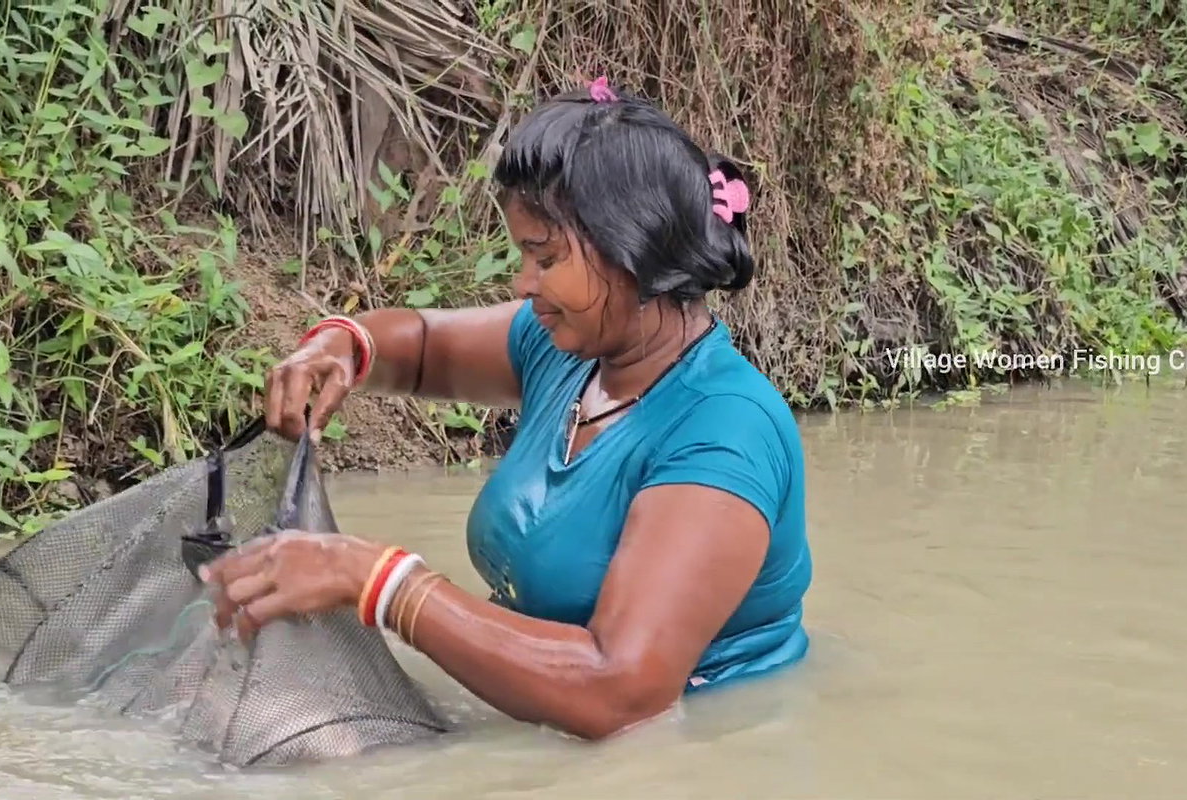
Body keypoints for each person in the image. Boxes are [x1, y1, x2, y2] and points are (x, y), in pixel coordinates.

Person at [199, 76, 814, 741]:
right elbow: (425, 348)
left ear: (633, 253)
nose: (523, 283)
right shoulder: (572, 351)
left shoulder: (725, 430)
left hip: (702, 745)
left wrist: (378, 581)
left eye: (545, 257)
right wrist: (342, 345)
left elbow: (621, 692)